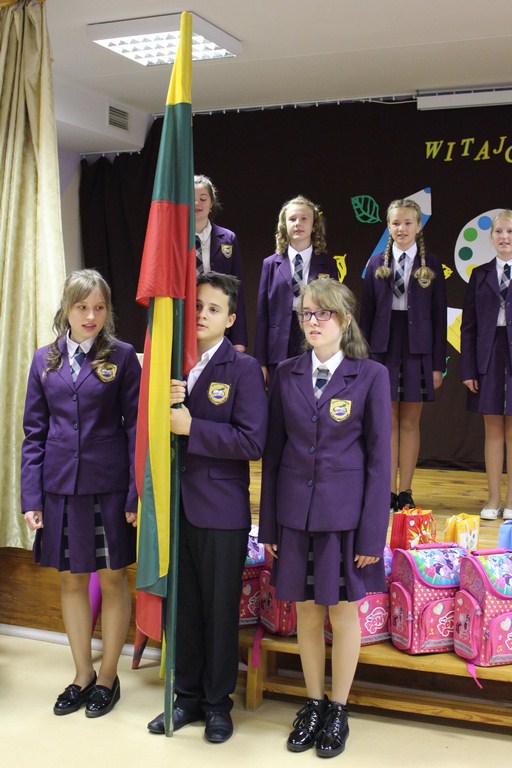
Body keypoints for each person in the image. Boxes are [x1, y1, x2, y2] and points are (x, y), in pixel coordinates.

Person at [259, 278, 390, 758]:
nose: (313, 322)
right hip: (295, 515)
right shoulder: (286, 373)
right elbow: (274, 455)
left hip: (344, 519)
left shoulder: (371, 375)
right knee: (307, 612)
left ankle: (338, 708)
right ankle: (313, 702)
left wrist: (372, 534)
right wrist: (268, 524)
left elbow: (379, 461)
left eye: (323, 313)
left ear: (345, 319)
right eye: (306, 314)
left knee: (343, 612)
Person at [147, 272, 268, 742]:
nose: (201, 315)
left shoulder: (243, 369)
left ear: (230, 319)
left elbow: (252, 441)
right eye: (196, 306)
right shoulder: (171, 364)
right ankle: (187, 697)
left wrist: (192, 427)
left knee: (219, 612)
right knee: (183, 608)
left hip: (220, 510)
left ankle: (219, 704)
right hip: (173, 507)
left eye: (213, 309)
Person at [21, 269, 141, 717]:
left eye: (99, 307)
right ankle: (82, 674)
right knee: (70, 580)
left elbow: (137, 431)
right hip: (59, 488)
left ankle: (108, 677)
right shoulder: (44, 359)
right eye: (82, 307)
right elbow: (34, 434)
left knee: (112, 578)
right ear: (67, 309)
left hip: (109, 486)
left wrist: (135, 493)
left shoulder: (122, 356)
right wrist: (31, 497)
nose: (91, 316)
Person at [360, 198, 447, 512]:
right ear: (388, 226)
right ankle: (386, 490)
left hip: (417, 347)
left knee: (409, 421)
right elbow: (366, 315)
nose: (402, 229)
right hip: (382, 347)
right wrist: (362, 359)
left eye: (408, 223)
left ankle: (405, 491)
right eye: (396, 223)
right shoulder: (375, 264)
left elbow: (438, 318)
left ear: (419, 226)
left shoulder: (431, 264)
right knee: (386, 422)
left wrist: (436, 365)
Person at [254, 195, 339, 388]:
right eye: (292, 219)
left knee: (309, 394)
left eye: (304, 219)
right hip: (278, 344)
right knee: (279, 396)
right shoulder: (270, 264)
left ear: (314, 225)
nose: (298, 223)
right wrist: (261, 360)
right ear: (284, 225)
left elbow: (334, 311)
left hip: (314, 335)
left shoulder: (328, 263)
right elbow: (262, 315)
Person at [461, 210, 512, 521]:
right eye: (499, 232)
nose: (505, 237)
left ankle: (511, 500)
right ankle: (493, 498)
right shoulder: (480, 275)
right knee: (493, 428)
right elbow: (468, 326)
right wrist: (469, 369)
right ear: (491, 237)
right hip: (489, 355)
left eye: (510, 232)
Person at [194, 174, 248, 352]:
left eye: (203, 199)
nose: (197, 203)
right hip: (187, 319)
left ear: (212, 204)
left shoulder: (228, 238)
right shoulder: (174, 238)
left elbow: (237, 290)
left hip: (218, 318)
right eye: (191, 199)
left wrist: (239, 339)